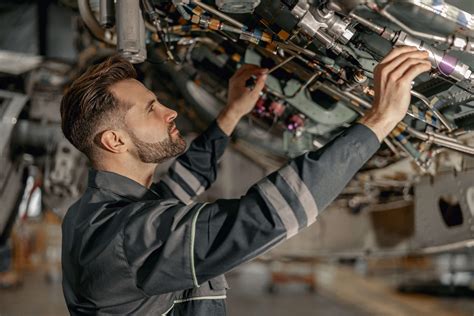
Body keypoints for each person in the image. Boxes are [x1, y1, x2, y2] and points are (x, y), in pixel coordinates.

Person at [60, 46, 431, 315]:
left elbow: (182, 184)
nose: (169, 111)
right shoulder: (123, 241)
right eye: (151, 109)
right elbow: (261, 218)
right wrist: (379, 120)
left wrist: (232, 112)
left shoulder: (106, 211)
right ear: (115, 141)